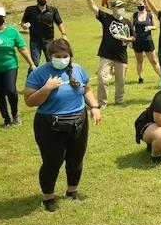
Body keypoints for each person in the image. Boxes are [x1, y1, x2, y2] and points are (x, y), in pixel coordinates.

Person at [23, 38, 103, 212]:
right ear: (50, 56)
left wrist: (94, 107)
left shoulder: (78, 70)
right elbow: (29, 101)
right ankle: (48, 197)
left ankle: (72, 190)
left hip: (78, 121)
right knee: (52, 161)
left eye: (64, 55)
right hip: (50, 124)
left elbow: (87, 89)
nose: (61, 58)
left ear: (70, 56)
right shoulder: (39, 73)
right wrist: (46, 88)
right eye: (57, 56)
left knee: (76, 158)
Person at [84, 0, 134, 107]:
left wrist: (125, 39)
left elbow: (133, 37)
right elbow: (93, 7)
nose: (121, 8)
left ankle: (119, 100)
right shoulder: (106, 18)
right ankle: (102, 102)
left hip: (121, 55)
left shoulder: (127, 22)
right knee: (102, 78)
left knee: (120, 81)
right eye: (118, 6)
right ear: (112, 8)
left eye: (122, 6)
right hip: (106, 53)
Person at [20, 0, 67, 65]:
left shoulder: (53, 10)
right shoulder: (30, 10)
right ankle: (32, 77)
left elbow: (59, 22)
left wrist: (64, 34)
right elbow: (23, 22)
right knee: (34, 63)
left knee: (51, 62)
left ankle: (52, 77)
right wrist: (24, 26)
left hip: (49, 40)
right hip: (35, 41)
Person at [130, 0, 160, 84]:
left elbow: (155, 26)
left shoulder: (150, 15)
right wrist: (131, 40)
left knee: (153, 61)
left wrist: (150, 27)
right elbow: (130, 27)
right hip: (137, 41)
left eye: (141, 4)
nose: (139, 6)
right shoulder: (134, 15)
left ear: (144, 4)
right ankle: (140, 77)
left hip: (148, 40)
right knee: (139, 61)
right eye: (138, 4)